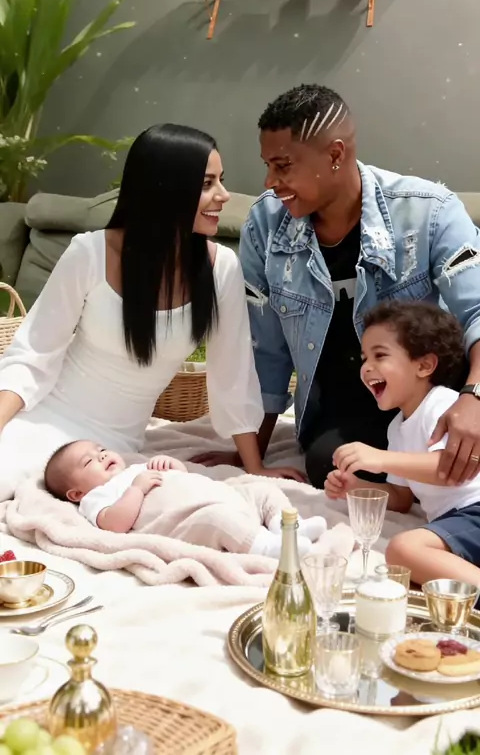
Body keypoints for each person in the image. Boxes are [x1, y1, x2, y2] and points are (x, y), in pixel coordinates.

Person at [193, 84, 480, 488]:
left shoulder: (429, 212)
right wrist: (251, 455)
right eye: (268, 165)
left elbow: (477, 312)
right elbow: (266, 348)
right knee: (331, 465)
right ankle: (414, 480)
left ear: (335, 155)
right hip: (344, 411)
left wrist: (474, 399)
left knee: (457, 447)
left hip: (431, 400)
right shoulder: (265, 224)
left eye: (283, 166)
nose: (270, 181)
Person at [0, 123, 303, 495]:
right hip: (44, 417)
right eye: (207, 184)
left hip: (112, 447)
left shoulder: (221, 267)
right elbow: (32, 354)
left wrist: (254, 467)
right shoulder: (90, 253)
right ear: (165, 189)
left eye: (220, 181)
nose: (224, 196)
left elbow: (234, 374)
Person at [325, 301, 480, 588]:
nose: (366, 368)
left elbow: (449, 469)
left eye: (380, 355)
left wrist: (380, 458)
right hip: (458, 523)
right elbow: (401, 496)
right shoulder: (396, 428)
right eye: (364, 358)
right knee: (408, 554)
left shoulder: (443, 405)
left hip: (475, 509)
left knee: (402, 550)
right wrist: (355, 486)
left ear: (424, 365)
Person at [43, 440, 330, 557]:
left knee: (261, 489)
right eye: (88, 461)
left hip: (221, 494)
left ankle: (287, 525)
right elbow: (114, 524)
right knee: (218, 521)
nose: (101, 456)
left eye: (100, 449)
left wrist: (173, 467)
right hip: (192, 517)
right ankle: (266, 547)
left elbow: (183, 479)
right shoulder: (97, 497)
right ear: (76, 493)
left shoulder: (134, 468)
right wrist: (136, 490)